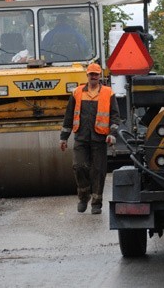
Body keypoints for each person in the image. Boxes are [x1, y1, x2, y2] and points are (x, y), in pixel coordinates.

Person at [59, 63, 120, 214]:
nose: (93, 77)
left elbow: (115, 116)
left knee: (98, 171)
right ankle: (83, 196)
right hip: (81, 137)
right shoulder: (77, 92)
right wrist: (63, 138)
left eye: (96, 74)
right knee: (79, 166)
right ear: (87, 75)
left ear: (100, 76)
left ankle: (96, 203)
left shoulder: (108, 93)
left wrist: (112, 134)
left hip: (99, 138)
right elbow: (68, 116)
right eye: (91, 74)